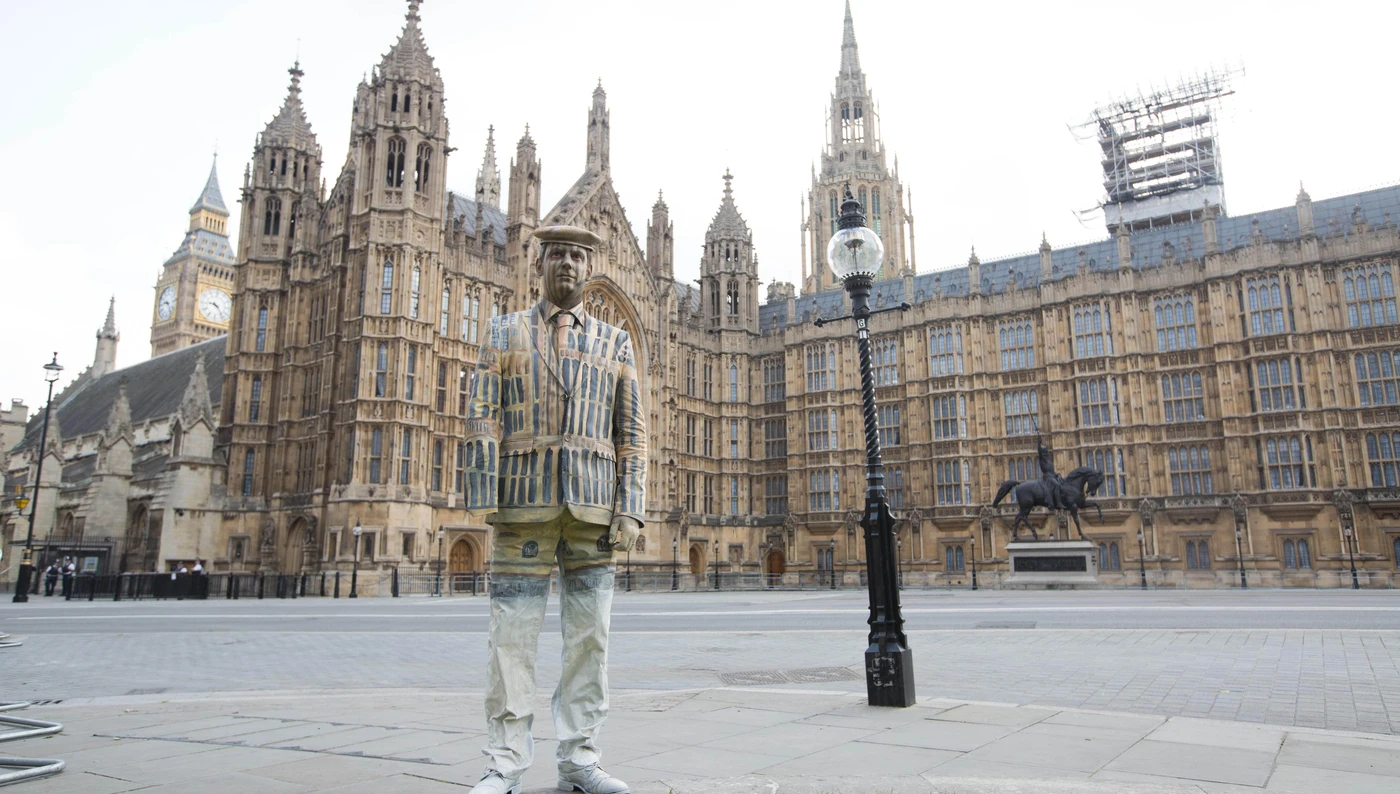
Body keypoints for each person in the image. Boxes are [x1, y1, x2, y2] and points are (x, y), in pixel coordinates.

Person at [462, 225, 646, 794]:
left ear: (588, 265)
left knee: (590, 641)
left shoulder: (616, 343)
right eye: (557, 253)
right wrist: (482, 495)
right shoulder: (502, 331)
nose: (566, 262)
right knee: (510, 642)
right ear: (539, 262)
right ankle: (505, 763)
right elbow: (481, 416)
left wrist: (632, 508)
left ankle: (580, 758)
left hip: (593, 512)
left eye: (576, 255)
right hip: (522, 507)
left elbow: (631, 432)